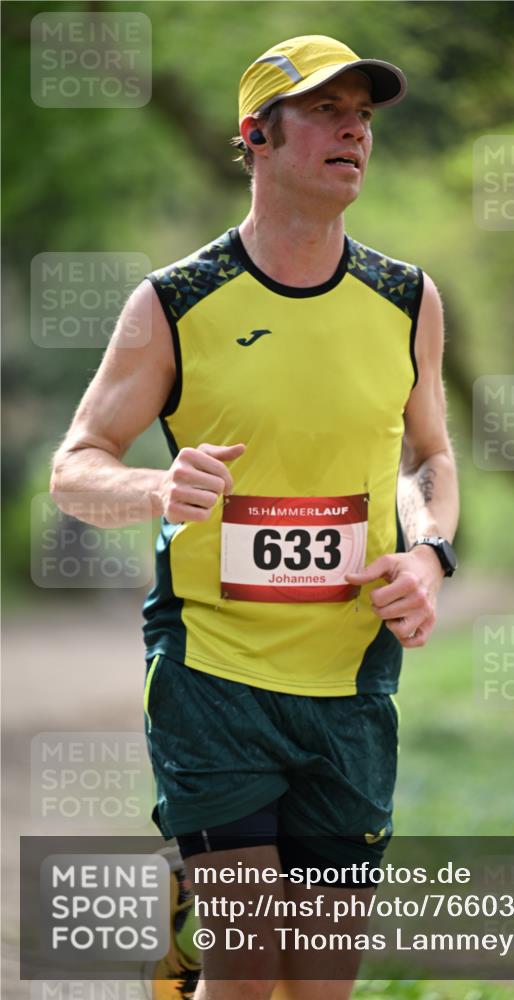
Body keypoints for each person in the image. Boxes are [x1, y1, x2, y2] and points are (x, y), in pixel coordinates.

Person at [50, 33, 459, 1000]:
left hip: (350, 680)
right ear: (258, 138)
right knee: (245, 968)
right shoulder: (175, 303)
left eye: (361, 114)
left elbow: (427, 457)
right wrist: (155, 489)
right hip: (212, 677)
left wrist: (431, 552)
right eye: (325, 109)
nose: (352, 128)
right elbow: (76, 468)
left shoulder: (406, 300)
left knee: (319, 983)